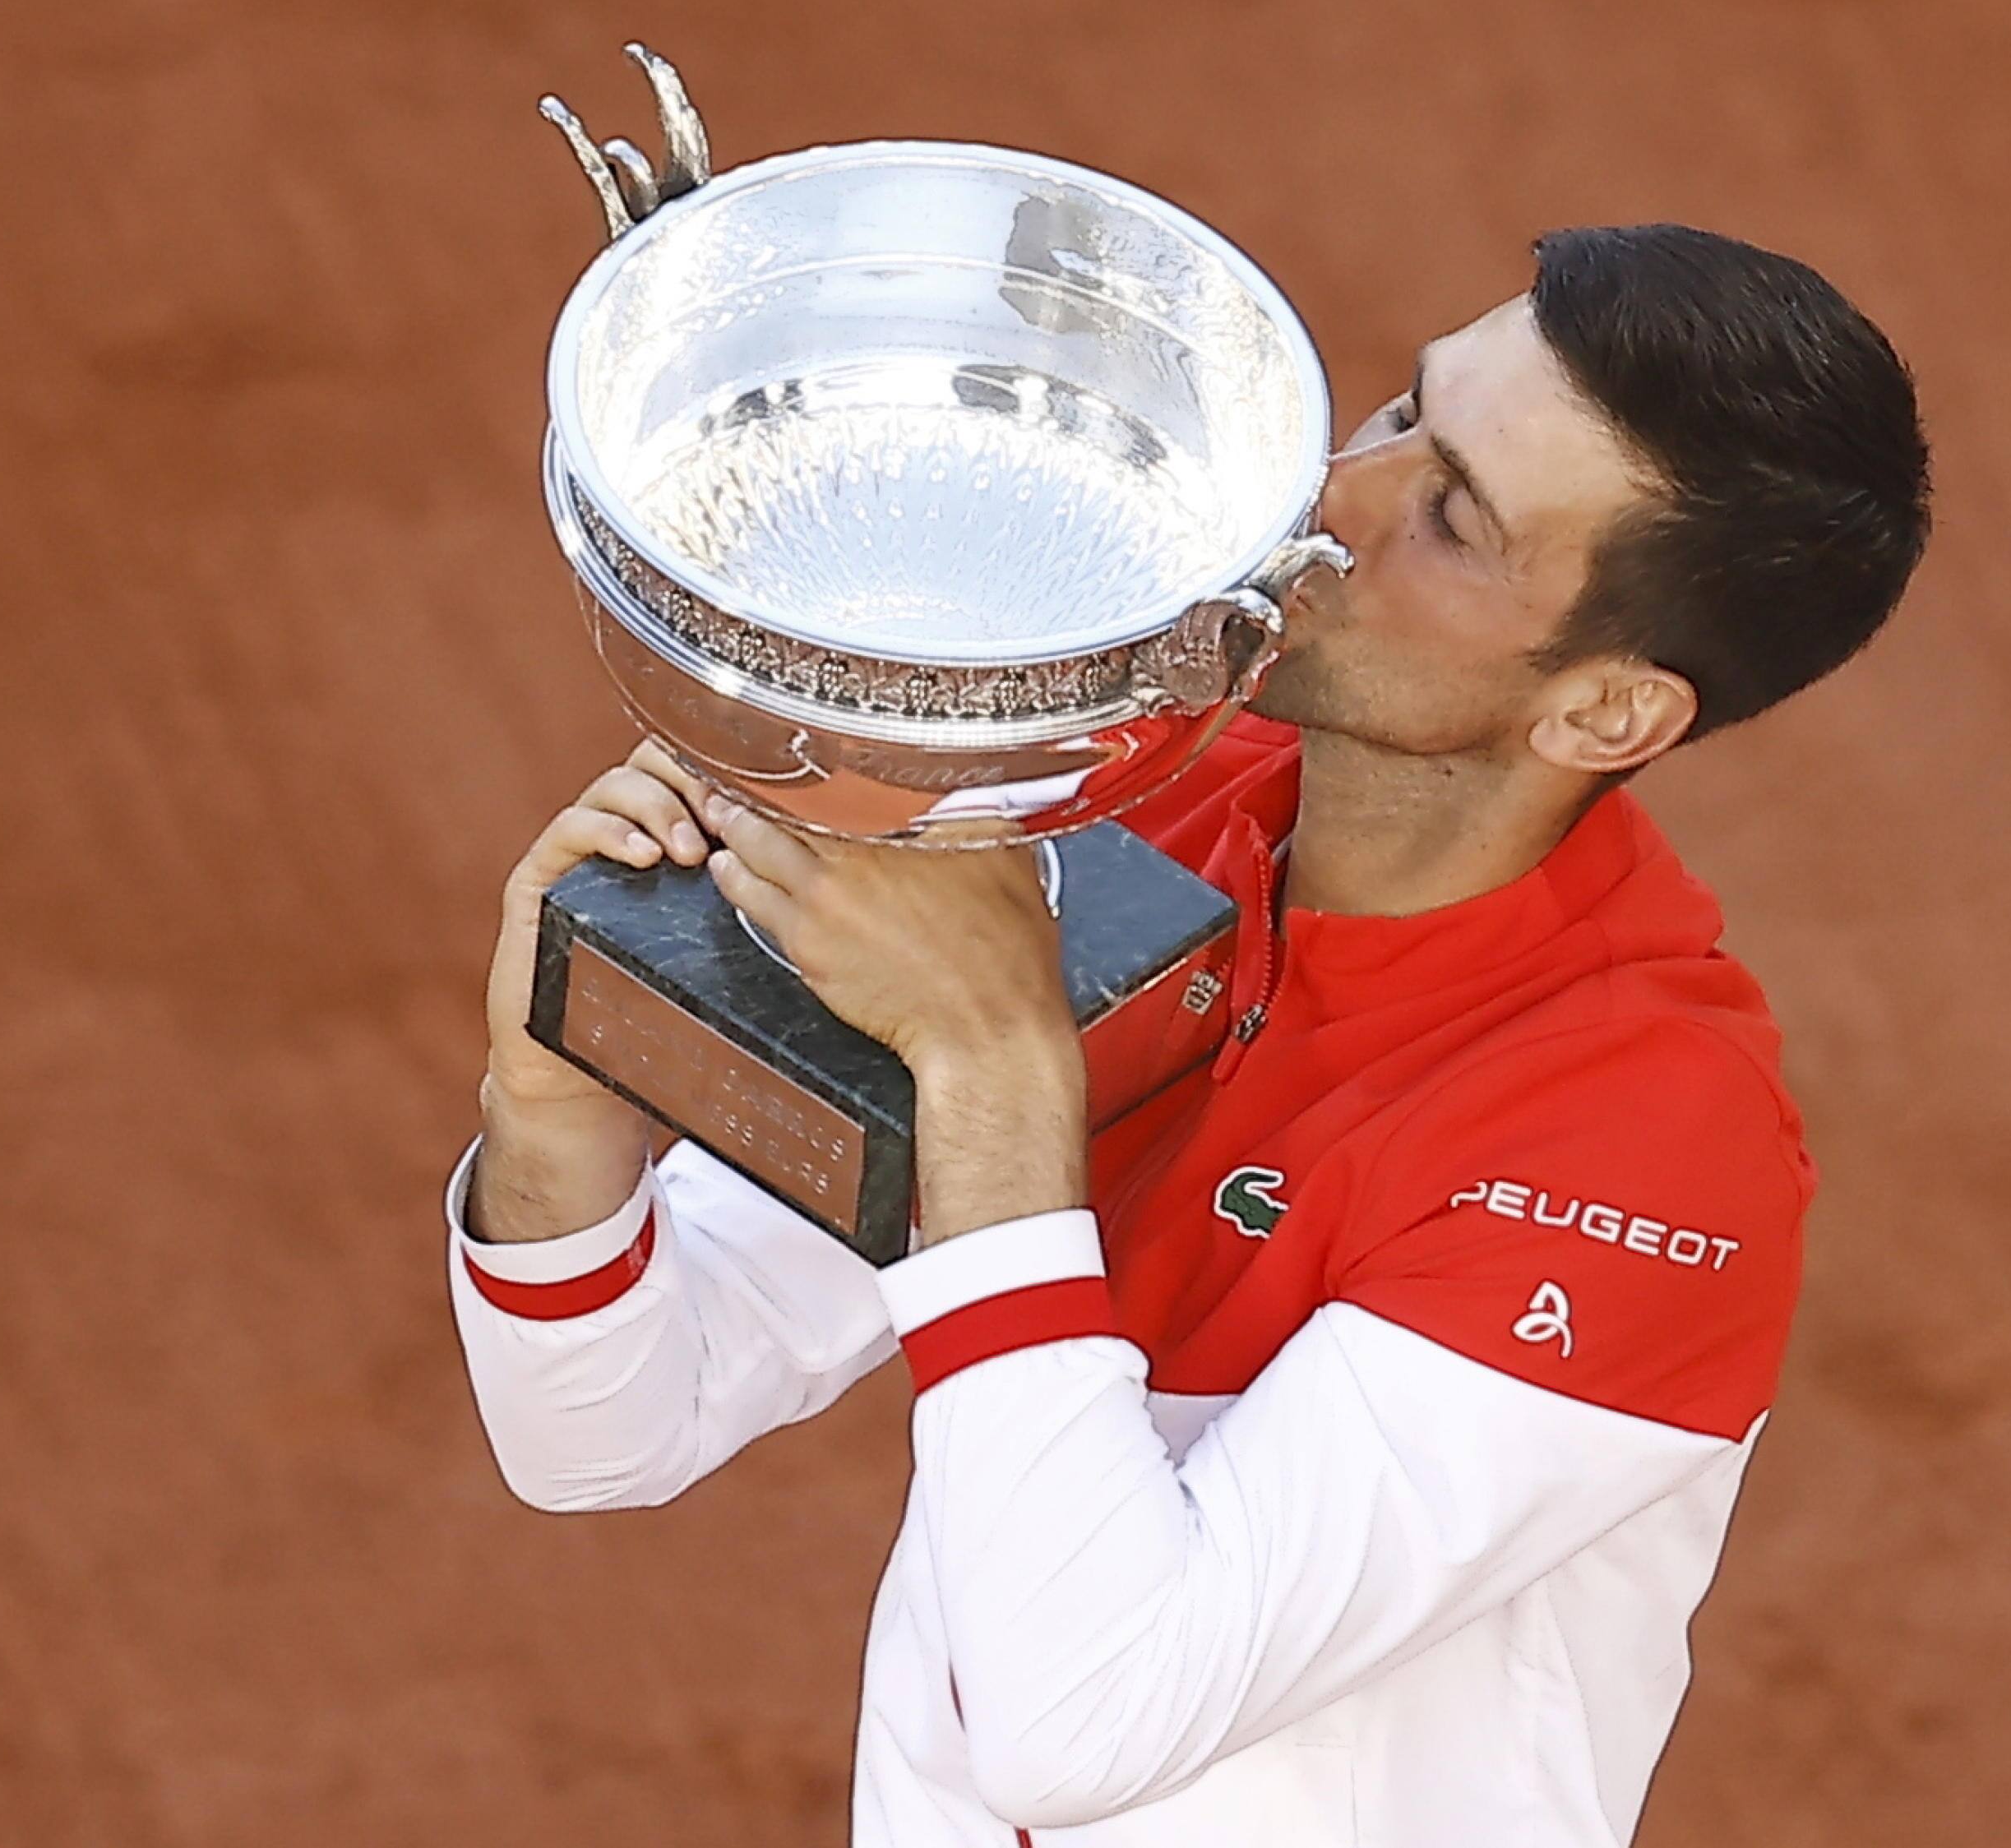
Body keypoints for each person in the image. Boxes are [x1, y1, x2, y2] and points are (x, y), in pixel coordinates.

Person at [446, 224, 1932, 1846]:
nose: (1330, 501)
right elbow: (611, 1428)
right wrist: (559, 1113)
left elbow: (1084, 1715)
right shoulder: (1141, 807)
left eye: (1450, 521)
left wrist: (999, 1080)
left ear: (1603, 712)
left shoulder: (1645, 1153)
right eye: (1398, 413)